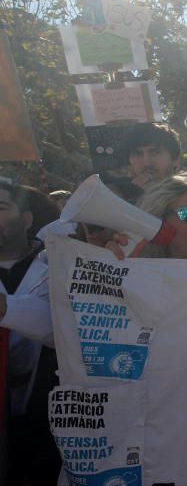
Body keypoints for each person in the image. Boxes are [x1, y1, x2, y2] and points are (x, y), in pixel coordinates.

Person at [0, 181, 60, 482]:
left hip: (47, 429)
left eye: (1, 207)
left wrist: (6, 308)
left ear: (26, 219)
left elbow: (60, 329)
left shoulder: (60, 266)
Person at [122, 122, 182, 190]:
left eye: (155, 153)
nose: (147, 163)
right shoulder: (116, 194)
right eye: (138, 154)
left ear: (176, 159)